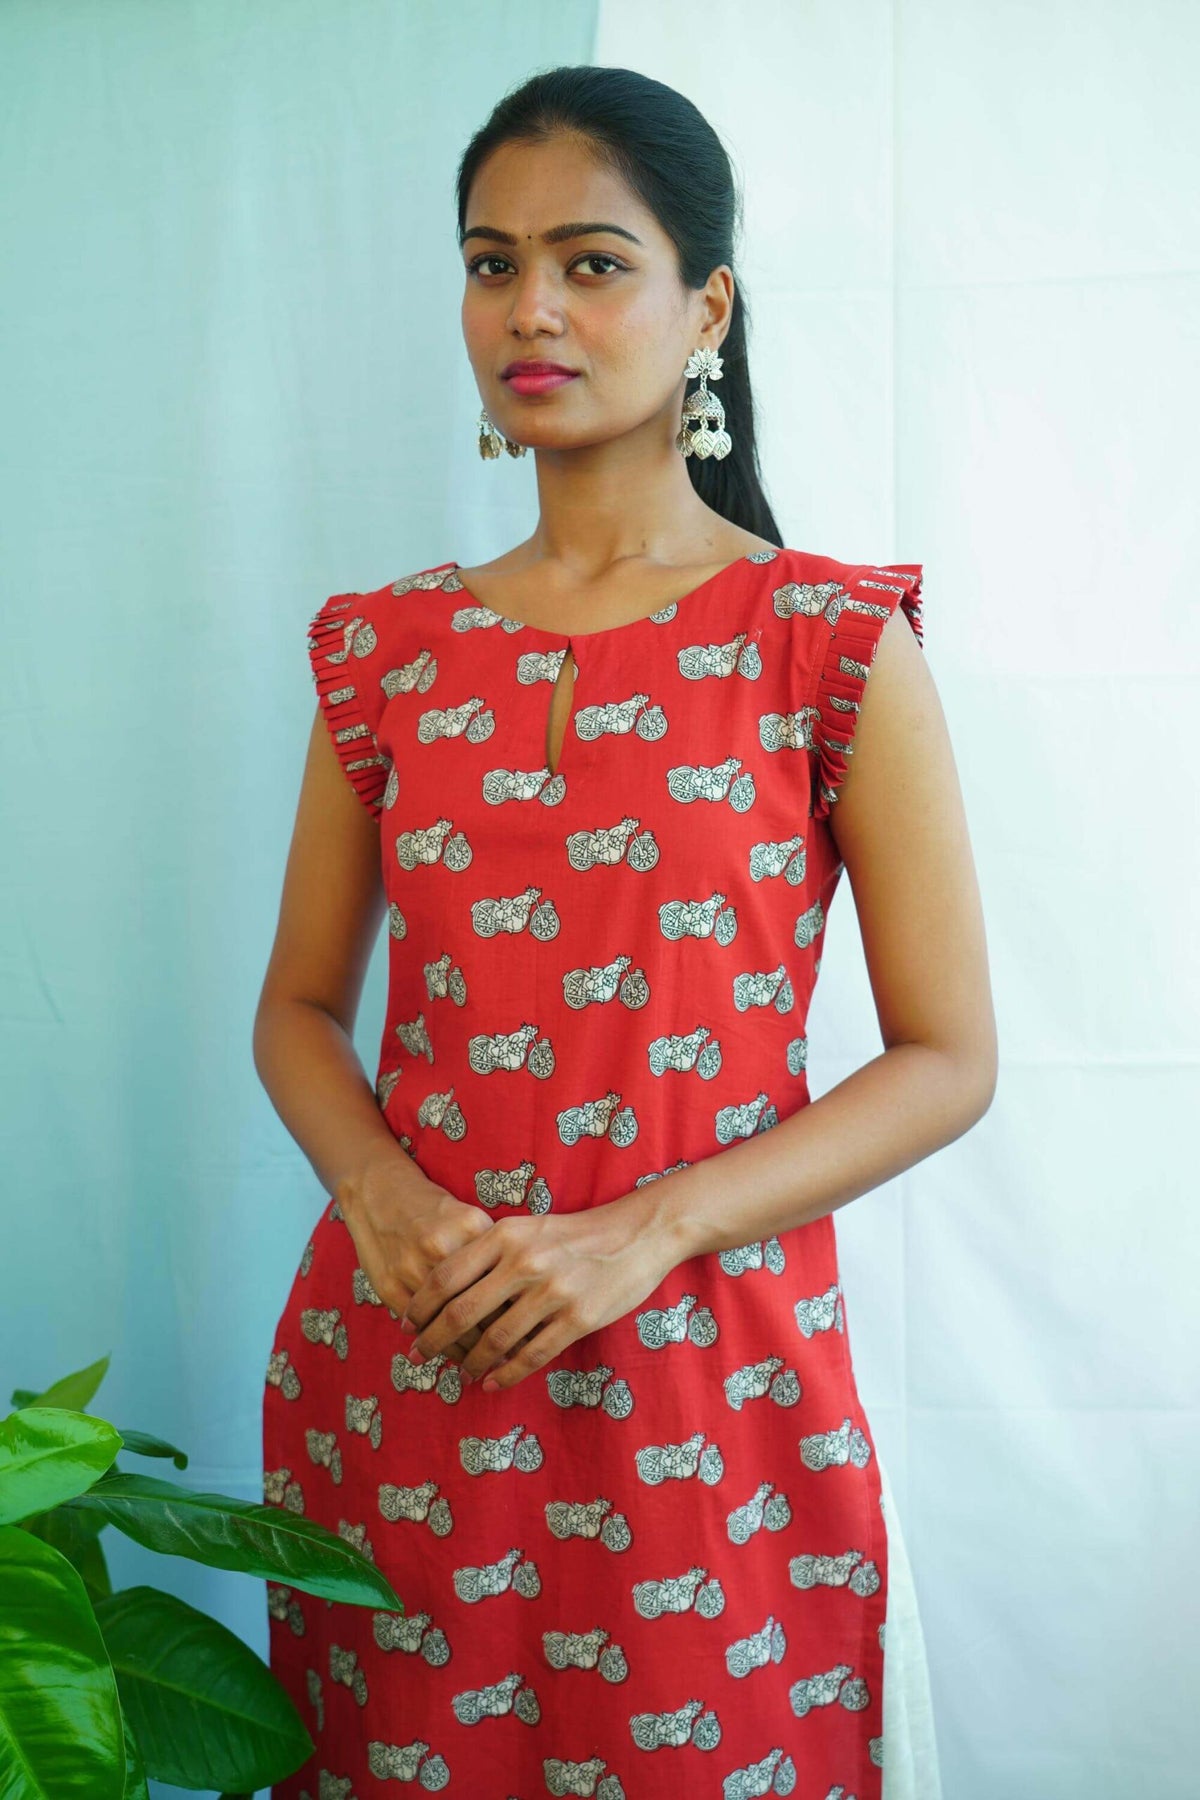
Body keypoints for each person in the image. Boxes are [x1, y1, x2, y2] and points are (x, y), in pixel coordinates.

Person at [255, 64, 995, 1800]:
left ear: (705, 309)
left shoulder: (827, 642)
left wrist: (644, 1234)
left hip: (699, 1388)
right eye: (491, 262)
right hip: (411, 1360)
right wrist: (379, 1199)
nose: (531, 309)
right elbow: (298, 1007)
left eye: (592, 262)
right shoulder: (386, 654)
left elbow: (949, 1058)